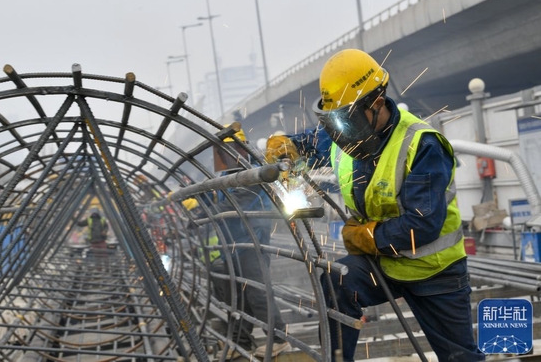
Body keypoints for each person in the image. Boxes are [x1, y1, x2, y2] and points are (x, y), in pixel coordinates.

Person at [265, 49, 484, 361]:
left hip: (435, 273)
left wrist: (366, 237)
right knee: (337, 280)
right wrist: (289, 144)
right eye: (335, 122)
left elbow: (421, 224)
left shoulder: (423, 144)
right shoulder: (348, 135)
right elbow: (316, 142)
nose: (341, 133)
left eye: (346, 121)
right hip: (383, 265)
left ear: (377, 103)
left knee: (460, 357)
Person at [198, 127, 290, 360]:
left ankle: (279, 340)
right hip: (231, 243)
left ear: (240, 150)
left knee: (257, 292)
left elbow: (234, 205)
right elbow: (214, 199)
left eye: (229, 151)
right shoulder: (225, 177)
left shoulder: (254, 175)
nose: (225, 156)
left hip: (252, 242)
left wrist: (205, 214)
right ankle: (242, 342)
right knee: (235, 295)